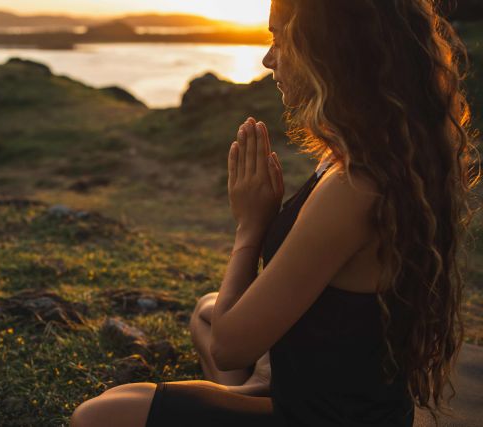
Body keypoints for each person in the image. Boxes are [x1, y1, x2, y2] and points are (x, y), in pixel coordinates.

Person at [69, 0, 480, 425]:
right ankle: (250, 391)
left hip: (324, 416)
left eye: (280, 38)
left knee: (99, 415)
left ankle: (249, 394)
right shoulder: (368, 155)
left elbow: (229, 348)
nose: (268, 58)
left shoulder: (354, 187)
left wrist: (250, 225)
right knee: (207, 312)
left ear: (332, 46)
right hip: (338, 385)